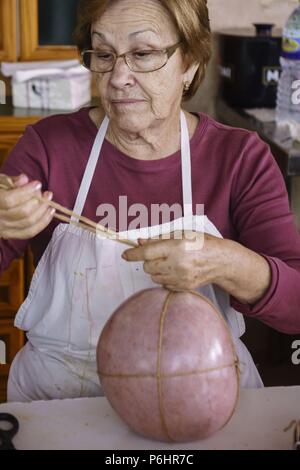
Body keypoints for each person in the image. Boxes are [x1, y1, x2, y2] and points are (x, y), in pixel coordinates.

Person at [0, 0, 299, 402]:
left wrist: (228, 263)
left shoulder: (239, 157)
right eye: (104, 55)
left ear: (189, 62)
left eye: (142, 55)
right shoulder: (49, 147)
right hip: (65, 396)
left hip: (203, 395)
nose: (118, 77)